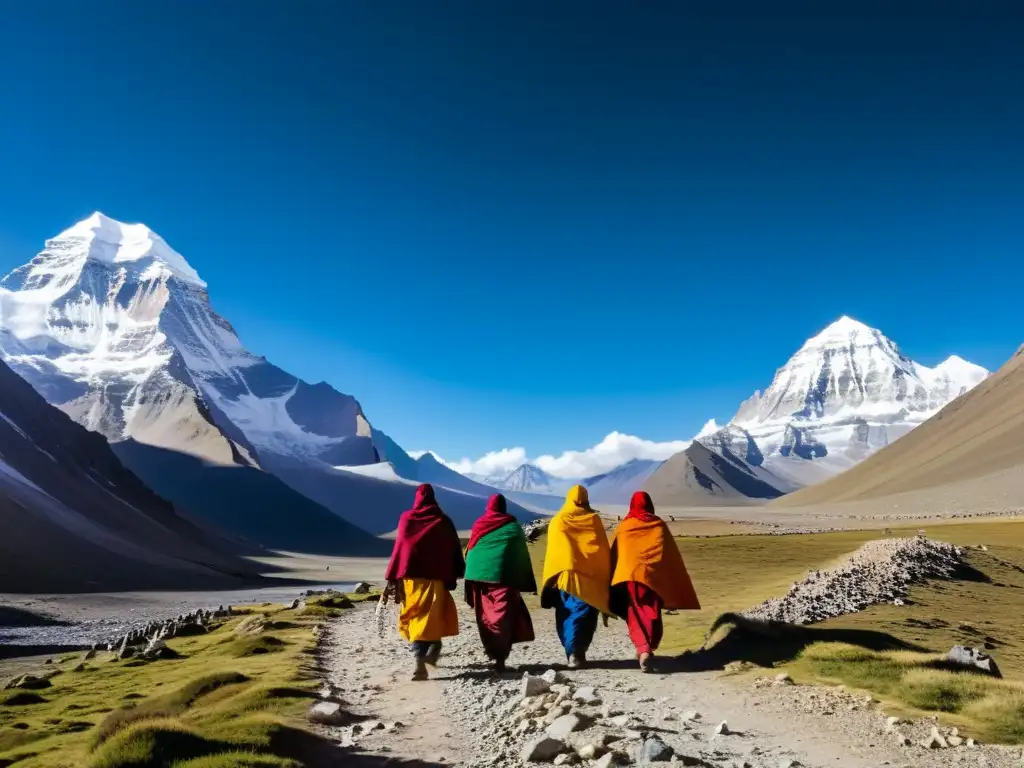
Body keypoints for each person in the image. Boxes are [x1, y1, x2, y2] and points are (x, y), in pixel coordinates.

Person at [609, 491, 700, 672]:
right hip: (654, 579)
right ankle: (646, 650)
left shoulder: (625, 526)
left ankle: (643, 649)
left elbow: (615, 553)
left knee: (635, 612)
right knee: (652, 613)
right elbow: (668, 555)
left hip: (631, 577)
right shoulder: (659, 525)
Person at [384, 483, 465, 681]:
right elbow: (453, 547)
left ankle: (419, 661)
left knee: (414, 618)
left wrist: (393, 575)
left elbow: (401, 548)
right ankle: (432, 653)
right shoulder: (442, 520)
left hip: (411, 581)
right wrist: (455, 571)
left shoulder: (406, 519)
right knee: (432, 618)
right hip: (435, 579)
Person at [463, 494, 537, 673]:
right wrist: (523, 578)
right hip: (506, 580)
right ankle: (501, 657)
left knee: (486, 617)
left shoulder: (479, 524)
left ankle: (494, 653)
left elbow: (471, 549)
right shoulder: (512, 527)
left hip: (481, 581)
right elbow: (520, 553)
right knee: (505, 617)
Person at [540, 485, 611, 669]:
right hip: (590, 578)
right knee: (584, 616)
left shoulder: (559, 520)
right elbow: (602, 549)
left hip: (565, 577)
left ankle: (572, 652)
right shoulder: (593, 519)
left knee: (566, 613)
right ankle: (577, 652)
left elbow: (554, 552)